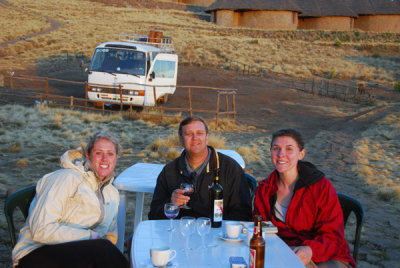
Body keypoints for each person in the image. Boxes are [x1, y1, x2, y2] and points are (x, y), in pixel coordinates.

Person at [12, 132, 128, 268]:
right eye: (98, 153)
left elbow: (110, 236)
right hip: (36, 253)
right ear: (88, 155)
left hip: (80, 253)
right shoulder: (66, 179)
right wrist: (91, 237)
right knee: (102, 250)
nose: (104, 159)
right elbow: (41, 230)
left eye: (110, 154)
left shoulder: (111, 193)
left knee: (106, 251)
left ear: (116, 158)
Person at [253, 129, 355, 268]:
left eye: (289, 149)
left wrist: (310, 250)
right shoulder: (264, 189)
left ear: (301, 154)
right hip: (283, 254)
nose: (281, 154)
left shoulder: (320, 187)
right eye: (276, 148)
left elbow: (333, 235)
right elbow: (259, 228)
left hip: (324, 256)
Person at [148, 116, 252, 221]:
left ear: (207, 137)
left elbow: (243, 214)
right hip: (180, 234)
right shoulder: (169, 171)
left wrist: (214, 227)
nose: (195, 138)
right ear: (180, 139)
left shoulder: (231, 168)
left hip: (217, 234)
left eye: (200, 133)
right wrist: (171, 204)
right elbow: (153, 216)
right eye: (188, 134)